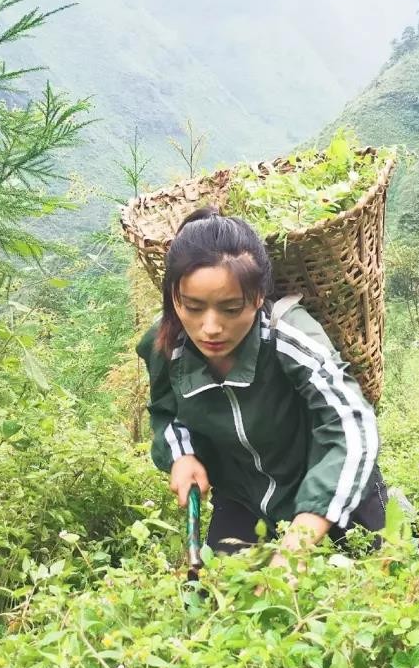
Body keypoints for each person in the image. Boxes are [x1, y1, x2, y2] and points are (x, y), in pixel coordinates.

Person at [136, 206, 387, 570]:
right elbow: (165, 411)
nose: (210, 327)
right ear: (174, 299)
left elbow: (352, 426)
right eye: (192, 307)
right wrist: (182, 455)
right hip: (243, 498)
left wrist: (300, 539)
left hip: (325, 481)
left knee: (391, 569)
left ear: (257, 298)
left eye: (231, 308)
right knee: (219, 600)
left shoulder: (289, 337)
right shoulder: (167, 346)